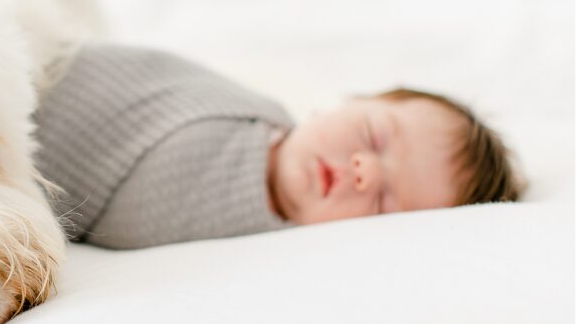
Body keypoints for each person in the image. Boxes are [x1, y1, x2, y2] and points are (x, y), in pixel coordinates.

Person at [32, 43, 522, 249]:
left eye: (385, 202)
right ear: (347, 102)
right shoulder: (243, 116)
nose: (364, 171)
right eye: (373, 137)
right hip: (43, 79)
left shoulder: (272, 248)